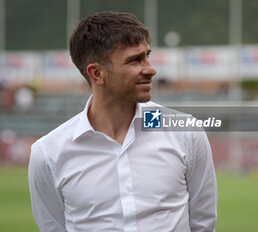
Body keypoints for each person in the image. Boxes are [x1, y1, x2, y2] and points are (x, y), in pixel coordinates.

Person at [28, 11, 217, 232]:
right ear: (96, 73)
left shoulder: (185, 132)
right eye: (135, 60)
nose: (151, 69)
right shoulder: (48, 154)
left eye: (147, 55)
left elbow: (203, 224)